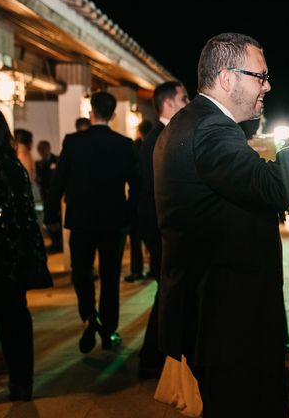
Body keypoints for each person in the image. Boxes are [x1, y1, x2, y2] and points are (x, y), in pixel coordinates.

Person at [154, 32, 289, 417]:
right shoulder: (210, 129)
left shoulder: (193, 121)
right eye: (260, 76)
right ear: (228, 78)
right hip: (226, 320)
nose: (268, 86)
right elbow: (273, 186)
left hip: (212, 310)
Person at [45, 91, 135, 353]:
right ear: (114, 116)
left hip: (81, 221)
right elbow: (136, 185)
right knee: (110, 277)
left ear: (90, 112)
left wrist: (51, 216)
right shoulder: (124, 144)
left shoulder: (73, 142)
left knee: (81, 273)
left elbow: (58, 182)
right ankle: (108, 330)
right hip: (113, 222)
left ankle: (89, 316)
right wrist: (129, 214)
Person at [0, 107, 52, 402]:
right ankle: (21, 382)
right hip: (11, 261)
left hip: (6, 260)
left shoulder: (12, 169)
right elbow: (28, 219)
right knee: (15, 321)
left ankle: (17, 379)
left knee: (12, 320)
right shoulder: (14, 169)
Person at [137, 81, 189, 379]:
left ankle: (159, 354)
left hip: (163, 227)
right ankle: (153, 357)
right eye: (184, 99)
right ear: (169, 103)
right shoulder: (158, 138)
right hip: (160, 229)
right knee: (166, 293)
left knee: (168, 292)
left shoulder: (165, 134)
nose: (188, 103)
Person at [124, 120, 153, 283]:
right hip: (147, 197)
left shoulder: (134, 147)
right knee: (148, 236)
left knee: (136, 237)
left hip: (136, 197)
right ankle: (150, 268)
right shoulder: (155, 144)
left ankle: (137, 270)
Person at [36, 140, 62, 253]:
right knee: (49, 220)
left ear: (49, 148)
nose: (42, 152)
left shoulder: (57, 160)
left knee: (57, 220)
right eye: (40, 150)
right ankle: (54, 243)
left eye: (44, 149)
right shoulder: (38, 164)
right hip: (45, 195)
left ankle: (59, 244)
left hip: (56, 195)